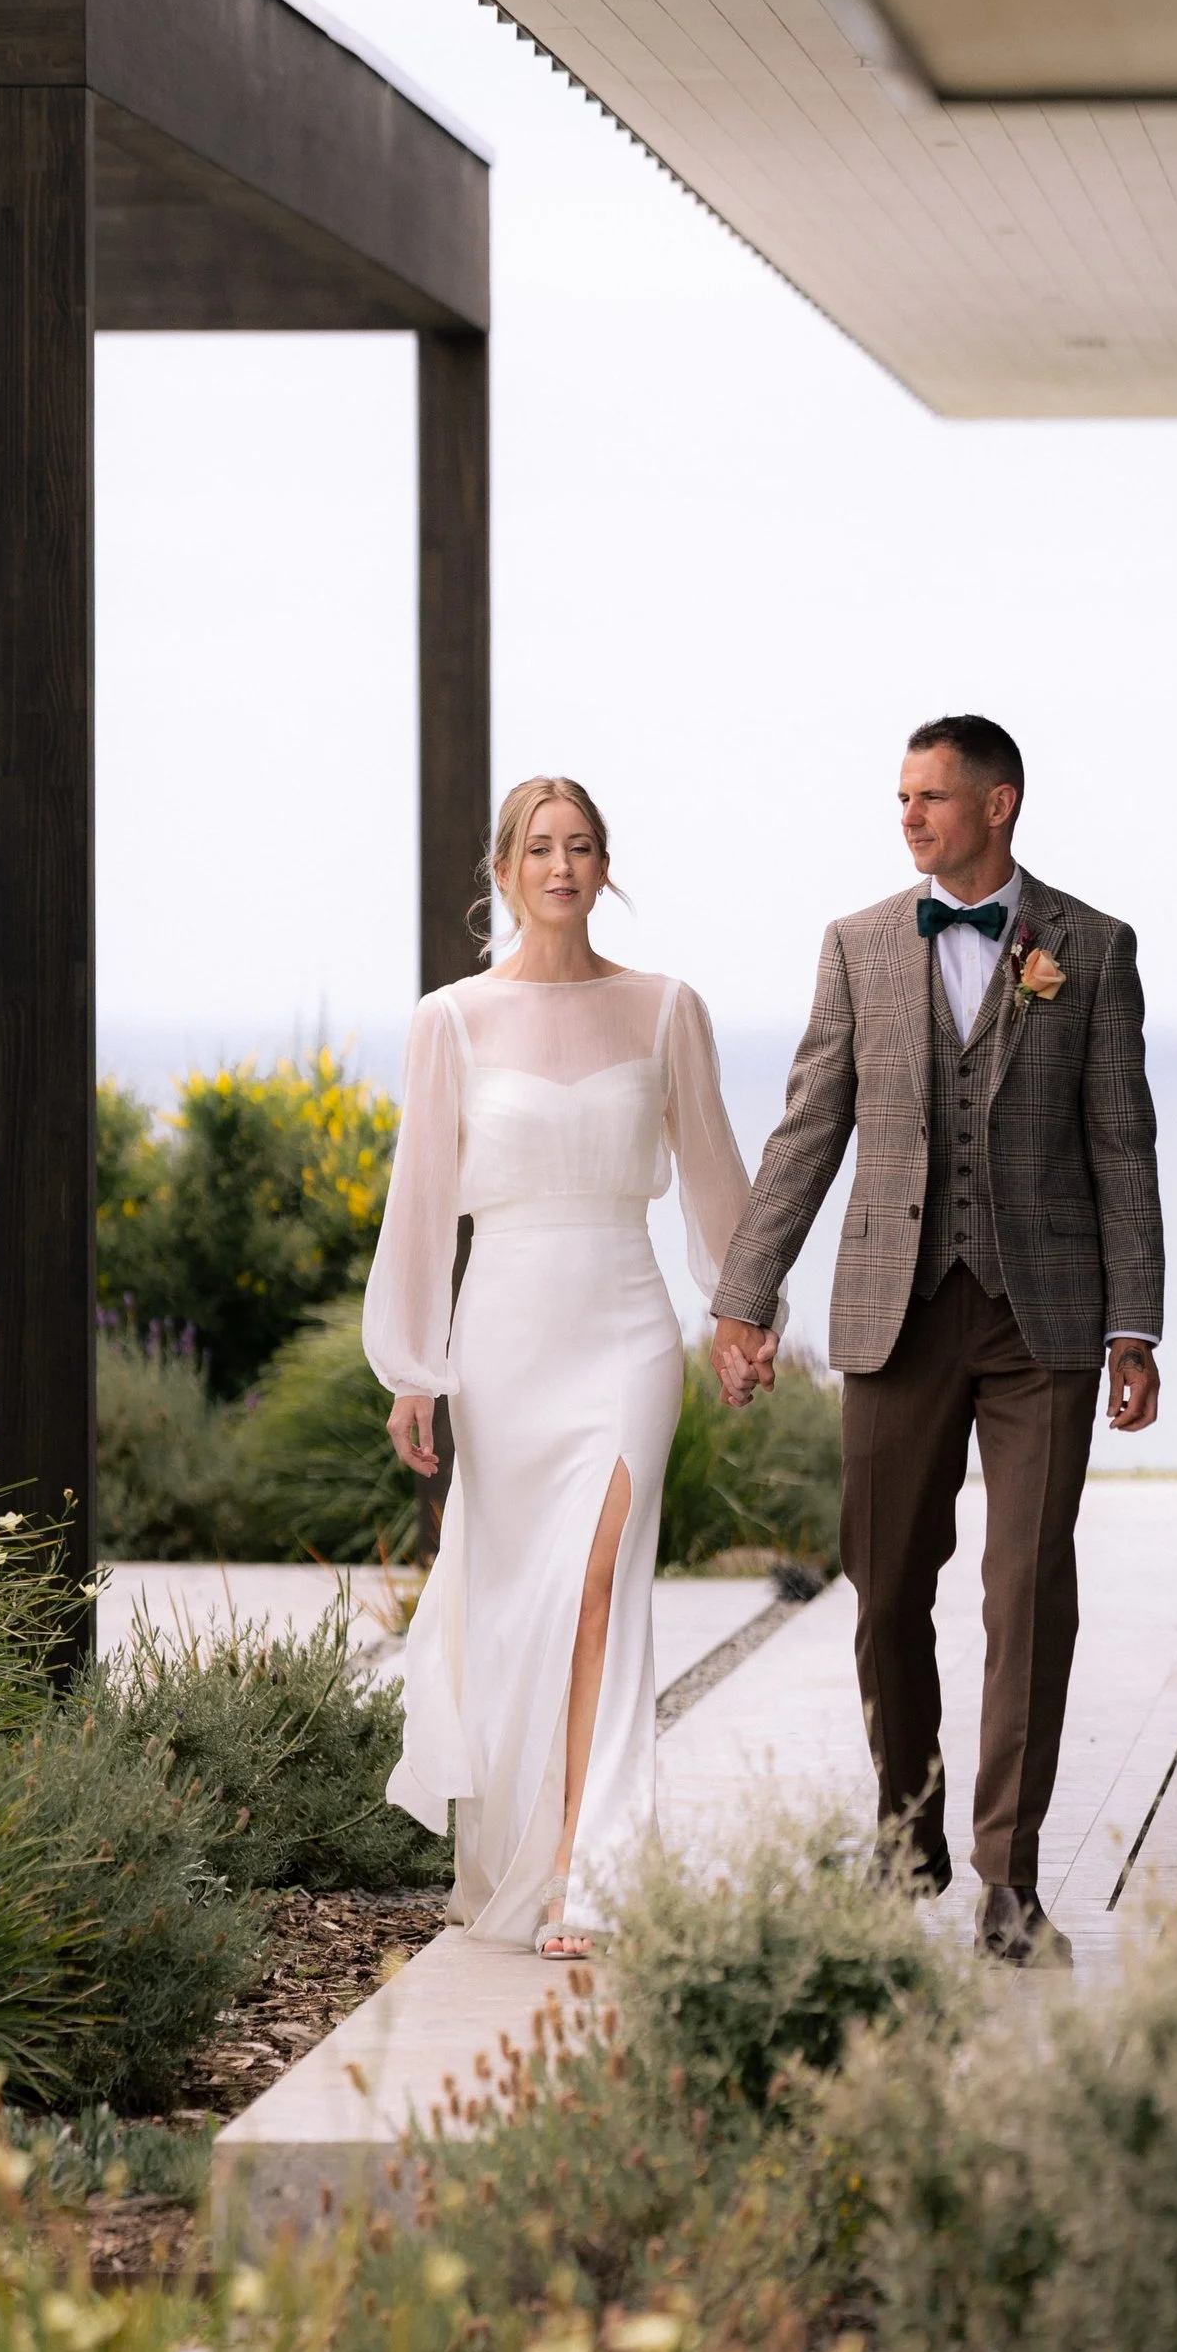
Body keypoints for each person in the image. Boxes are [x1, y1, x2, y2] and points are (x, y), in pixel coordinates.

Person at [710, 716, 1162, 1965]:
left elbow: (1121, 1143)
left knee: (1025, 1595)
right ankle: (903, 1835)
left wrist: (1134, 1325)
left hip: (1046, 1318)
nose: (907, 817)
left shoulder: (1092, 948)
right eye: (900, 796)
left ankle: (1008, 1882)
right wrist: (746, 1295)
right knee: (884, 1586)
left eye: (931, 797)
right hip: (893, 1311)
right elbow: (809, 1131)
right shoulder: (857, 946)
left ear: (998, 804)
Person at [365, 775, 760, 1956]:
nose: (561, 866)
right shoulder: (450, 1020)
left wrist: (739, 1315)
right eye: (539, 848)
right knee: (513, 1604)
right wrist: (412, 1365)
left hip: (628, 1327)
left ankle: (589, 1874)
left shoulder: (664, 1008)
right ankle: (524, 1855)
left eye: (580, 847)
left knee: (600, 1590)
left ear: (604, 867)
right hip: (503, 1340)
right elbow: (422, 1206)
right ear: (504, 872)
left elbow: (712, 1173)